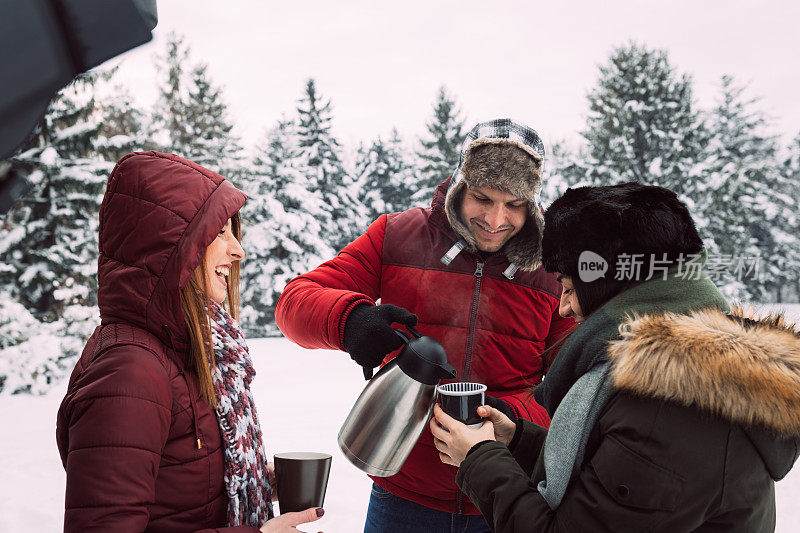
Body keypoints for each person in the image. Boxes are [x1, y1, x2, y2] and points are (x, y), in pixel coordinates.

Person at [431, 182, 800, 532]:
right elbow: (610, 478)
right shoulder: (679, 380)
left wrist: (478, 457)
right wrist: (517, 441)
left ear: (612, 287)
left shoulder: (668, 409)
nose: (562, 308)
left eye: (570, 288)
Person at [275, 119, 575, 532]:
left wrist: (511, 418)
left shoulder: (552, 270)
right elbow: (294, 301)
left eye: (514, 205)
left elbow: (571, 386)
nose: (495, 218)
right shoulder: (396, 236)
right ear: (459, 186)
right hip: (401, 495)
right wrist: (351, 320)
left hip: (505, 498)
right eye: (483, 198)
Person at [56, 152, 324, 532]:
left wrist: (253, 480)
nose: (238, 250)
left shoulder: (186, 350)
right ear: (167, 249)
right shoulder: (129, 373)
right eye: (219, 233)